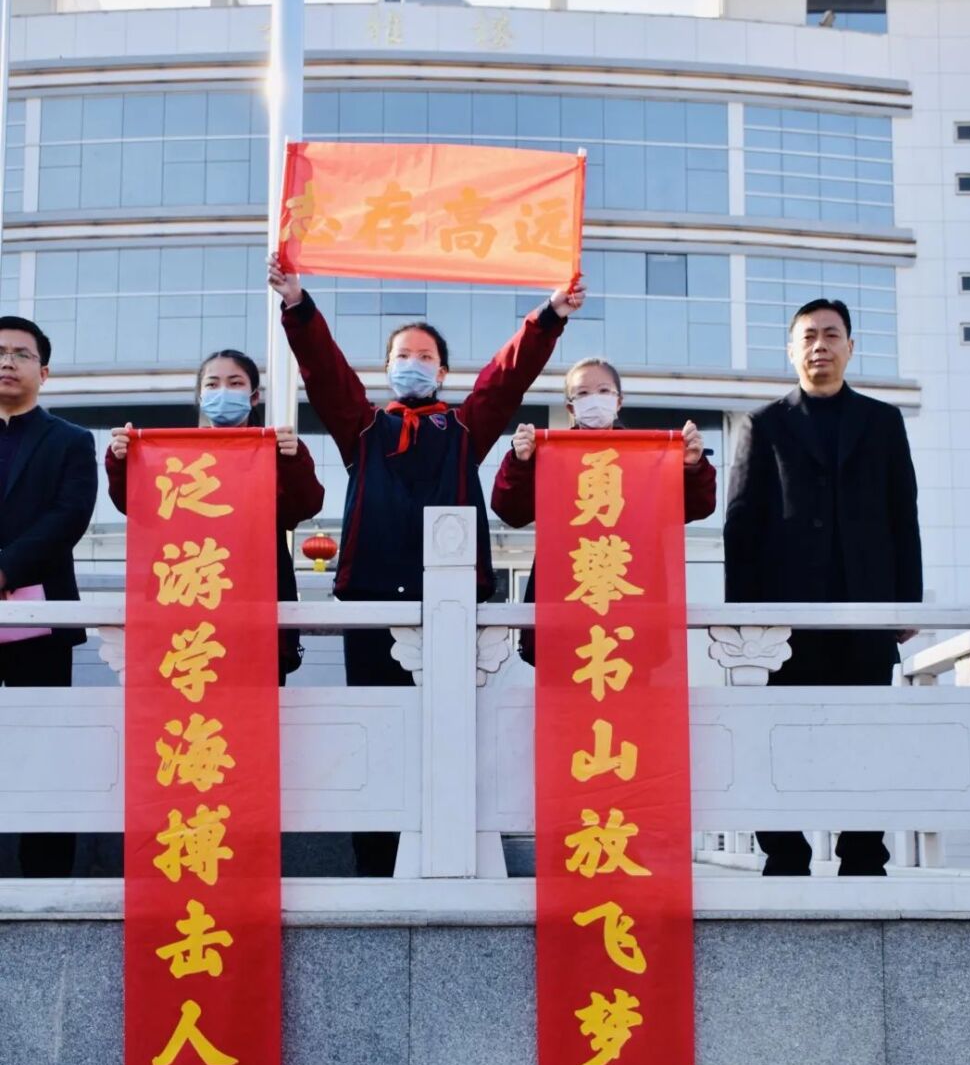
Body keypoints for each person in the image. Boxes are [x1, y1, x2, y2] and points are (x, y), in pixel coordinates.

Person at [267, 253, 586, 877]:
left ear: (442, 370)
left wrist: (550, 315)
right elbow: (325, 372)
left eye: (423, 356)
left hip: (456, 607)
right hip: (371, 606)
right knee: (377, 735)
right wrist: (299, 306)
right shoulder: (362, 428)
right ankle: (374, 864)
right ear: (386, 369)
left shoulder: (465, 428)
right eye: (401, 356)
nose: (411, 365)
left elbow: (507, 377)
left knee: (453, 737)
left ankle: (454, 859)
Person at [724, 297, 922, 877]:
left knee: (866, 735)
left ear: (850, 348)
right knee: (782, 733)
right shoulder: (765, 424)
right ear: (791, 350)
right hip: (786, 616)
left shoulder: (883, 422)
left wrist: (905, 600)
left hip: (866, 608)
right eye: (808, 336)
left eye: (831, 335)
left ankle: (864, 854)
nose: (820, 345)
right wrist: (745, 618)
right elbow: (742, 524)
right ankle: (785, 853)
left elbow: (901, 514)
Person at [105, 348, 325, 685]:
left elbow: (304, 507)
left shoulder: (276, 449)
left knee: (252, 722)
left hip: (253, 610)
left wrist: (293, 460)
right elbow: (137, 508)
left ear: (253, 397)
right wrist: (121, 461)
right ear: (199, 395)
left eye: (235, 383)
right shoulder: (173, 455)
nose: (223, 391)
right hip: (184, 608)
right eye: (213, 384)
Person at [490, 356, 717, 665]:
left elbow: (696, 507)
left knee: (633, 704)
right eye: (582, 393)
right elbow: (510, 512)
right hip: (565, 604)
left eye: (603, 391)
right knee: (563, 707)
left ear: (618, 401)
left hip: (631, 603)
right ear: (570, 407)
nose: (593, 400)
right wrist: (520, 463)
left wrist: (692, 465)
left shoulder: (647, 455)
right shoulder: (548, 455)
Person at [0, 314, 98, 877]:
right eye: (1, 353)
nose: (8, 362)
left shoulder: (69, 440)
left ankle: (46, 877)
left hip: (41, 622)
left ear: (45, 370)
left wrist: (4, 569)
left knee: (46, 753)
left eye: (21, 353)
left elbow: (69, 517)